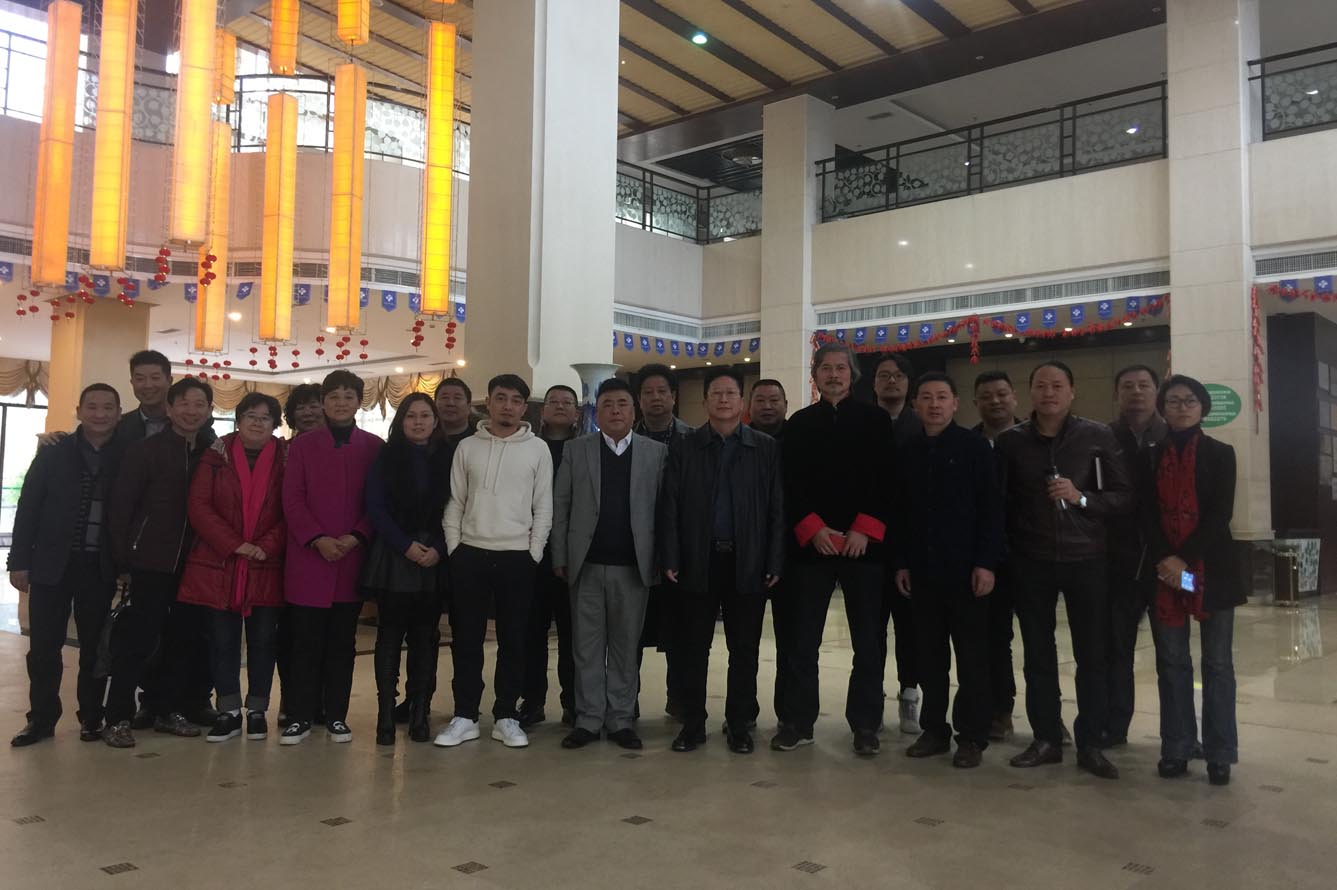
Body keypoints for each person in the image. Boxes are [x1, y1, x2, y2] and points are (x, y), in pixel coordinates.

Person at [995, 360, 1131, 779]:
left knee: (1092, 654)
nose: (1049, 393)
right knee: (1037, 654)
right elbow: (999, 503)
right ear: (1030, 392)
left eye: (1057, 386)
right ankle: (1046, 738)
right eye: (1041, 385)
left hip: (1087, 557)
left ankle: (1090, 743)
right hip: (1031, 559)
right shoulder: (1011, 442)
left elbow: (1123, 495)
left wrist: (1081, 497)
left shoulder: (1097, 436)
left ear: (1072, 391)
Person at [773, 342, 894, 755]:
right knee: (802, 640)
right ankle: (798, 722)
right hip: (813, 547)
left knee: (868, 642)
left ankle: (865, 724)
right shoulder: (799, 423)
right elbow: (789, 483)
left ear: (852, 374)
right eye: (825, 368)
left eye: (841, 368)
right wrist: (812, 528)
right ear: (815, 375)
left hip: (865, 547)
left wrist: (864, 529)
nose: (834, 375)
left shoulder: (876, 421)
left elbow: (887, 480)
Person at [660, 367, 784, 755]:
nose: (724, 399)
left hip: (748, 561)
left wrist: (774, 559)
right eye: (717, 393)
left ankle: (740, 724)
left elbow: (777, 508)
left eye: (731, 393)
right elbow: (670, 505)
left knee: (744, 650)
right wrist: (671, 554)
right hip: (698, 560)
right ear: (705, 402)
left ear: (741, 402)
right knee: (693, 648)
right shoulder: (685, 446)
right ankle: (693, 724)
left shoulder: (764, 447)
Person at [435, 374, 553, 750]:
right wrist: (455, 547)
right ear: (488, 402)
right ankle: (465, 715)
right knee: (466, 639)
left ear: (524, 407)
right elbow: (455, 501)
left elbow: (543, 506)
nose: (507, 406)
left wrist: (534, 553)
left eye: (515, 400)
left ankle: (506, 715)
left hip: (518, 556)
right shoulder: (467, 447)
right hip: (470, 553)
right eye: (500, 398)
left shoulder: (538, 450)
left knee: (513, 639)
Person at [892, 373, 1003, 768]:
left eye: (942, 397)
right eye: (926, 397)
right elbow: (900, 513)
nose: (934, 404)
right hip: (923, 572)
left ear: (956, 403)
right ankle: (934, 730)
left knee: (972, 658)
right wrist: (902, 562)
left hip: (967, 572)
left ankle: (971, 736)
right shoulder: (908, 450)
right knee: (930, 656)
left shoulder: (974, 447)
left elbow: (991, 509)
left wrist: (986, 563)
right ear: (915, 405)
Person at [552, 378, 666, 751]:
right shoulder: (576, 450)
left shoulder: (656, 453)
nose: (615, 411)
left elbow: (664, 511)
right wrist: (560, 556)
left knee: (625, 647)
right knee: (585, 647)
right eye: (607, 405)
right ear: (596, 413)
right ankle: (587, 719)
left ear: (634, 411)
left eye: (622, 404)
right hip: (585, 566)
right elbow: (561, 506)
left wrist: (662, 559)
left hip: (633, 568)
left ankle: (620, 719)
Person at [102, 378, 217, 748]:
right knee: (136, 642)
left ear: (209, 410)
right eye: (183, 403)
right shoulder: (145, 451)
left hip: (194, 564)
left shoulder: (213, 454)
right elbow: (121, 508)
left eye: (199, 404)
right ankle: (117, 717)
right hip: (149, 561)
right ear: (169, 408)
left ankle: (168, 710)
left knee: (182, 640)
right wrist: (123, 561)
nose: (191, 411)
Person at [9, 384, 124, 747]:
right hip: (50, 565)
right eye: (92, 407)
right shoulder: (54, 452)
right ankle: (41, 719)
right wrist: (19, 561)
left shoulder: (128, 454)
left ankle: (91, 717)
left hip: (99, 568)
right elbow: (28, 507)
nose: (100, 414)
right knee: (44, 647)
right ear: (79, 411)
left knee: (95, 647)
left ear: (119, 413)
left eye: (108, 407)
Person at [1144, 375, 1243, 787]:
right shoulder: (1150, 456)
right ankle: (1177, 747)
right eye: (1173, 401)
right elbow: (1145, 514)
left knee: (1217, 664)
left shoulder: (1221, 454)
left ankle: (1220, 753)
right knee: (1172, 662)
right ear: (1162, 409)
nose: (1182, 408)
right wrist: (1167, 560)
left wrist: (1182, 559)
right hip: (1166, 574)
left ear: (1203, 408)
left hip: (1210, 572)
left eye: (1190, 401)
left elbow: (1220, 515)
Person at [279, 370, 382, 745]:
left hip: (352, 559)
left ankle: (337, 715)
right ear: (323, 402)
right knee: (304, 643)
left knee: (342, 644)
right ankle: (299, 716)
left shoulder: (374, 447)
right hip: (309, 559)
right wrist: (317, 538)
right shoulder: (303, 446)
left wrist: (356, 536)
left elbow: (379, 502)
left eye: (348, 396)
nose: (341, 403)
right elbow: (292, 499)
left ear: (358, 403)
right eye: (334, 397)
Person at [178, 393, 288, 744]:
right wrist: (235, 544)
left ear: (275, 424)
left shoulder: (286, 457)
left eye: (265, 418)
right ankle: (228, 711)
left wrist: (265, 545)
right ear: (238, 420)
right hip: (219, 562)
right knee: (222, 642)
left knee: (263, 642)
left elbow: (292, 507)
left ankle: (257, 711)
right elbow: (199, 506)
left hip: (266, 563)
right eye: (250, 416)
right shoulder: (216, 455)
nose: (257, 423)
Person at [361, 393, 451, 746]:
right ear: (401, 422)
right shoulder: (386, 456)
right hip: (395, 553)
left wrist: (439, 548)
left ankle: (419, 713)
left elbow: (457, 505)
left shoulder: (447, 456)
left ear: (435, 421)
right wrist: (405, 546)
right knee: (389, 636)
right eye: (411, 416)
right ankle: (385, 716)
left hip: (434, 554)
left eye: (425, 416)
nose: (418, 422)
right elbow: (375, 507)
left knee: (425, 638)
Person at [1105, 364, 1168, 747]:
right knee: (1117, 651)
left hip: (1167, 565)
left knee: (1173, 654)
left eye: (1144, 385)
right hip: (1119, 564)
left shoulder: (1175, 437)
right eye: (1127, 386)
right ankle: (1114, 726)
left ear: (1156, 392)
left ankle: (1179, 735)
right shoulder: (1103, 438)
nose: (1136, 392)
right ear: (1117, 394)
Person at [519, 384, 581, 729]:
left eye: (567, 402)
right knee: (533, 632)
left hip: (572, 555)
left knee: (573, 635)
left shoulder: (585, 449)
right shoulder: (528, 447)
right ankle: (532, 701)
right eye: (553, 402)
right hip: (532, 553)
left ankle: (573, 702)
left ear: (576, 413)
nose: (559, 406)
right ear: (542, 412)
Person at [633, 364, 693, 721]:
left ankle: (680, 699)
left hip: (679, 553)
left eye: (661, 391)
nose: (655, 398)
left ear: (673, 396)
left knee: (680, 632)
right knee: (630, 633)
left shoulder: (693, 439)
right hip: (634, 551)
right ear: (639, 400)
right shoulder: (624, 438)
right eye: (647, 392)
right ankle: (626, 702)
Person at [971, 370, 1024, 742]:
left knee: (1040, 640)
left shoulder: (1034, 439)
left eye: (1002, 394)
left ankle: (1049, 718)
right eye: (986, 396)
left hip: (1031, 553)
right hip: (986, 558)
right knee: (992, 638)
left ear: (1014, 397)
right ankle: (998, 711)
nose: (995, 401)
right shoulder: (968, 444)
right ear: (975, 402)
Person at [873, 353, 921, 736]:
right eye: (884, 375)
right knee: (870, 632)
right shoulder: (861, 424)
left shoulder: (922, 426)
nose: (892, 381)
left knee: (910, 630)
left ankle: (909, 694)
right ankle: (870, 702)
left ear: (908, 383)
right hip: (867, 546)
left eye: (899, 375)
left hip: (911, 545)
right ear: (874, 383)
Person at [275, 383, 324, 725]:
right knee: (288, 633)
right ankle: (291, 700)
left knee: (321, 634)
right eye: (300, 407)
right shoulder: (281, 451)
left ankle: (319, 699)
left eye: (313, 405)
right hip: (282, 550)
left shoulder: (338, 448)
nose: (307, 412)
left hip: (326, 550)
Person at [435, 377, 476, 445]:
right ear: (434, 404)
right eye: (445, 397)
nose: (450, 403)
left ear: (469, 407)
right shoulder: (423, 439)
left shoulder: (483, 438)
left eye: (457, 398)